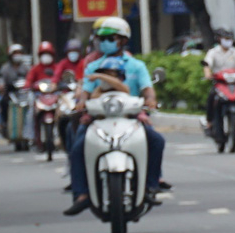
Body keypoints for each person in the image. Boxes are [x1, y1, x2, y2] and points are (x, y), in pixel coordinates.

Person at [63, 18, 171, 215]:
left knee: (156, 141)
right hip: (98, 118)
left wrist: (150, 101)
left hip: (131, 116)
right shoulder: (93, 66)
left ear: (122, 40)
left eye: (109, 38)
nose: (103, 42)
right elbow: (86, 92)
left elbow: (148, 91)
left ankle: (150, 185)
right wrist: (81, 102)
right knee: (78, 147)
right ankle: (82, 194)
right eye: (100, 38)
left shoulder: (136, 66)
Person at [202, 27, 235, 143]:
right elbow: (207, 64)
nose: (228, 41)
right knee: (211, 97)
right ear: (219, 39)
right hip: (220, 84)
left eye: (230, 38)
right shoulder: (213, 52)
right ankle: (209, 122)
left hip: (234, 83)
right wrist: (207, 73)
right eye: (225, 38)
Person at [0, 44, 29, 144]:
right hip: (10, 93)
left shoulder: (26, 67)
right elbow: (1, 79)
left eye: (19, 53)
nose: (17, 55)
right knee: (1, 102)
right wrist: (1, 86)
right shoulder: (5, 68)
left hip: (24, 93)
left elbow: (31, 78)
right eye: (15, 53)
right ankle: (3, 124)